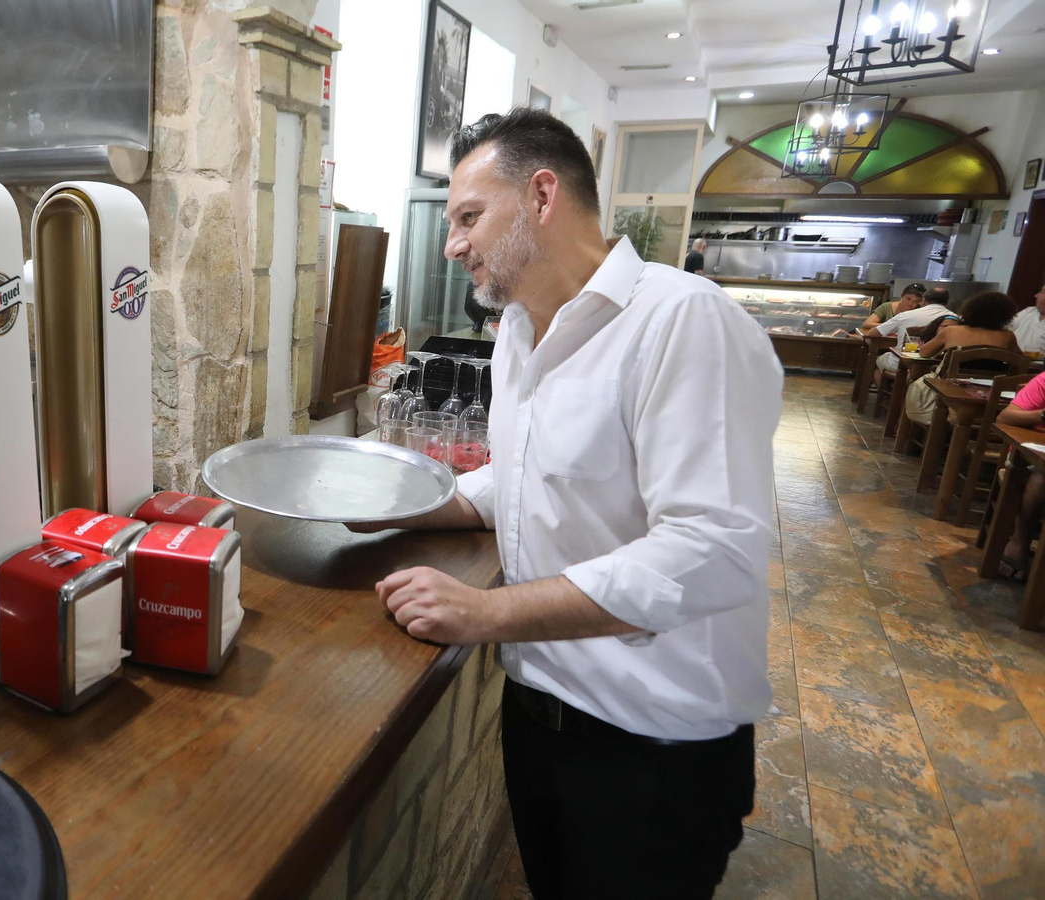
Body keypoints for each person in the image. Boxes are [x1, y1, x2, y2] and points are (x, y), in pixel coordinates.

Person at [353, 109, 781, 899]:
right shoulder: (519, 330)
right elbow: (524, 476)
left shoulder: (684, 321)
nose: (454, 244)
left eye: (469, 217)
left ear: (543, 194)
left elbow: (711, 552)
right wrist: (408, 501)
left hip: (650, 748)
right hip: (541, 716)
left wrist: (485, 614)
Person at [902, 291, 1021, 426]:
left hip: (951, 388)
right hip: (991, 392)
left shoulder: (952, 331)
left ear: (970, 309)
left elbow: (924, 353)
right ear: (1006, 316)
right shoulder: (1008, 336)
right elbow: (1017, 358)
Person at [996, 371, 1045, 579]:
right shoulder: (1043, 381)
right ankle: (1020, 538)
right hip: (1032, 456)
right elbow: (1005, 417)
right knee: (1041, 474)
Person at [862, 287, 955, 391]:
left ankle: (889, 397)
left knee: (878, 361)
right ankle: (900, 396)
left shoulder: (906, 315)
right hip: (938, 368)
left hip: (905, 364)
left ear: (924, 301)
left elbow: (872, 333)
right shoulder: (955, 319)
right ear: (947, 304)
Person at [1007, 283, 1045, 354]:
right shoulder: (1029, 311)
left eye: (1042, 292)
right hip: (1010, 360)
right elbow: (1006, 329)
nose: (1036, 295)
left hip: (1034, 364)